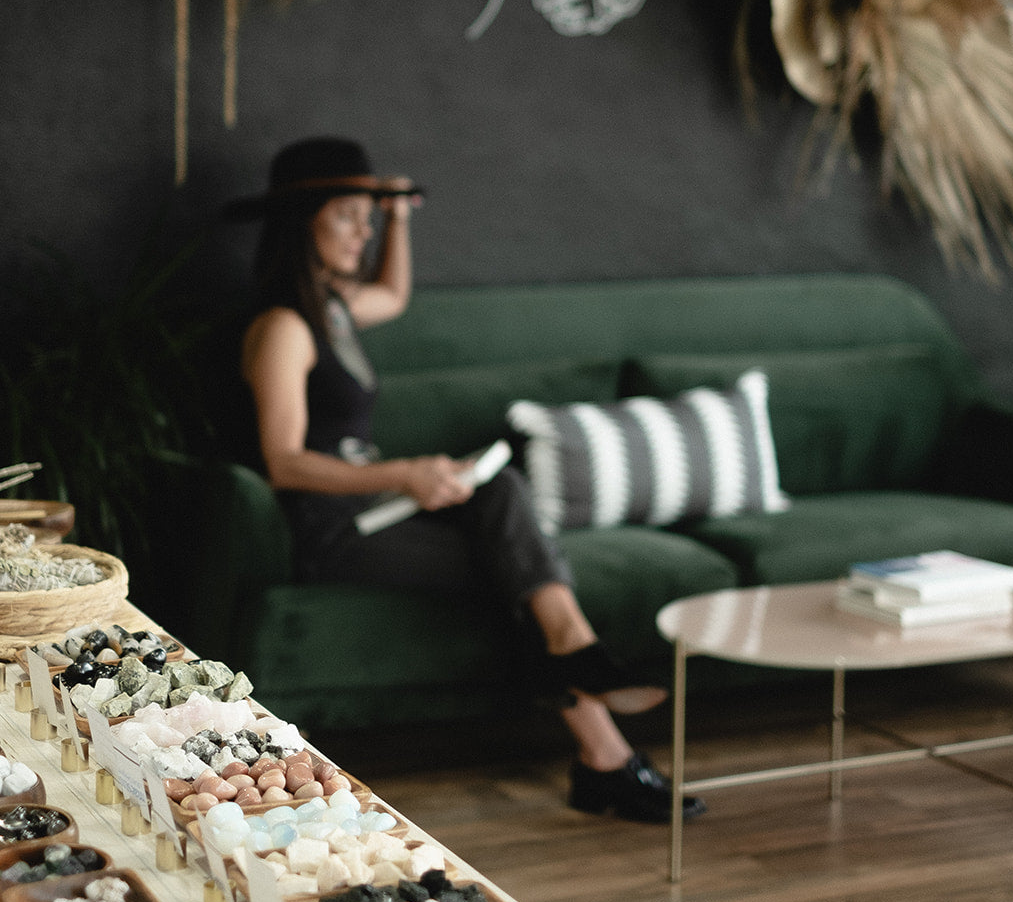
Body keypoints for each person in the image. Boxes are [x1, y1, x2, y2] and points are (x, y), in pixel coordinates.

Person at [230, 137, 704, 823]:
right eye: (349, 216)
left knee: (498, 486)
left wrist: (399, 217)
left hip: (371, 503)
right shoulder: (283, 328)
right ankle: (602, 751)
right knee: (506, 569)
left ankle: (581, 669)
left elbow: (393, 293)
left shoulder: (333, 309)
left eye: (368, 218)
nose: (363, 232)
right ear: (300, 222)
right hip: (332, 527)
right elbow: (285, 462)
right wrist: (408, 474)